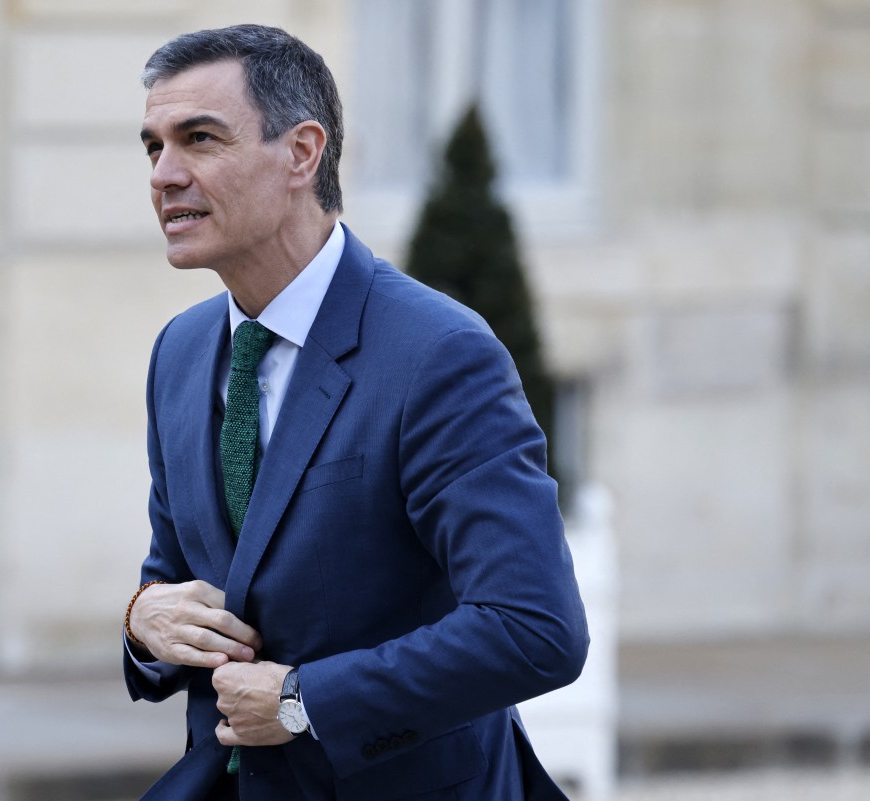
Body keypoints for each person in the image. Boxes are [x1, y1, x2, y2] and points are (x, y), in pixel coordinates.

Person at [123, 23, 588, 801]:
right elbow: (178, 583)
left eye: (199, 139)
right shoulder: (180, 350)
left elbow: (534, 627)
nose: (165, 174)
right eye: (153, 147)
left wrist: (303, 701)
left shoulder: (438, 354)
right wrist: (144, 620)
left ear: (302, 153)